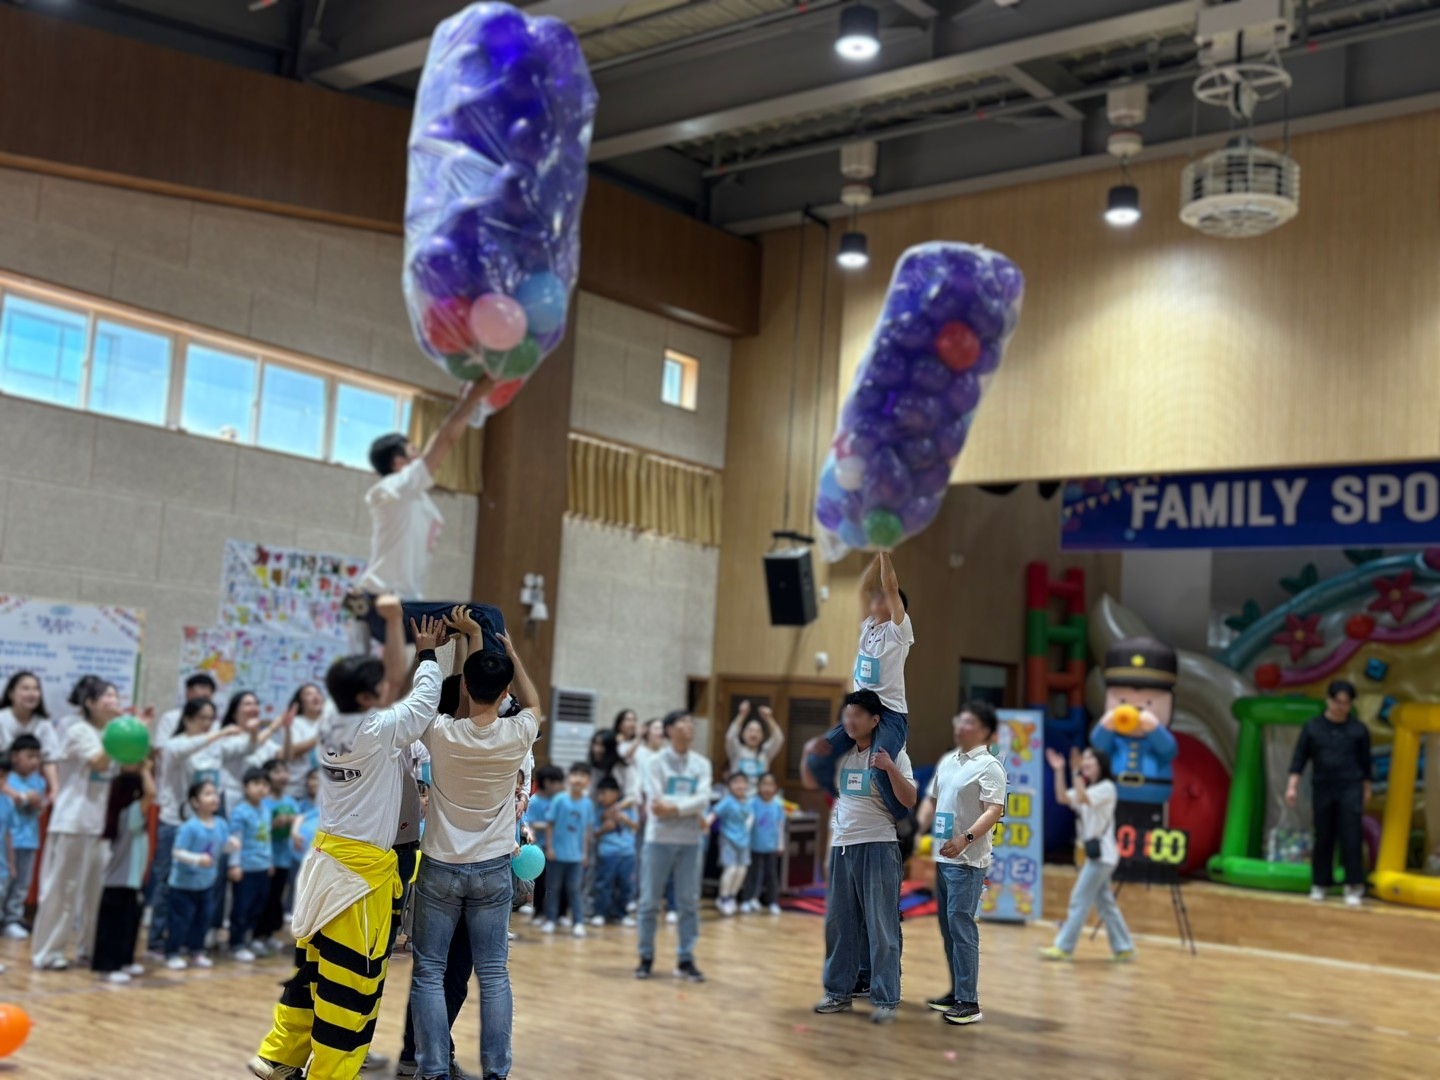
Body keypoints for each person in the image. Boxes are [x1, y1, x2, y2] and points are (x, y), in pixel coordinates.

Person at [248, 611, 445, 1080]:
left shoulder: (334, 721)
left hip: (327, 861)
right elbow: (422, 701)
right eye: (377, 686)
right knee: (351, 982)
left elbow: (398, 702)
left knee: (314, 967)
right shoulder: (374, 729)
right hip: (361, 875)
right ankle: (331, 1074)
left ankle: (280, 1055)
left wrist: (385, 625)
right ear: (365, 696)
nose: (385, 688)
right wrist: (431, 655)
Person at [410, 616, 540, 1080]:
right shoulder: (519, 732)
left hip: (440, 869)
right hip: (492, 872)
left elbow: (422, 701)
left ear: (464, 684)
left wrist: (429, 650)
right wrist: (511, 654)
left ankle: (430, 1070)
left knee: (428, 973)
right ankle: (497, 1072)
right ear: (506, 693)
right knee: (494, 976)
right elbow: (534, 702)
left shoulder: (441, 733)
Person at [803, 690, 916, 1025]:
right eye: (846, 716)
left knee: (881, 926)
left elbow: (909, 799)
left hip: (879, 845)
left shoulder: (893, 755)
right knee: (839, 924)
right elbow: (811, 780)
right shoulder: (843, 756)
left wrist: (890, 769)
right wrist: (810, 754)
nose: (850, 722)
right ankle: (838, 993)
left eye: (857, 716)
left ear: (875, 720)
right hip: (842, 847)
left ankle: (886, 998)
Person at [806, 554, 913, 821]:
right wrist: (876, 556)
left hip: (889, 712)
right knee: (818, 757)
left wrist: (887, 554)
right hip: (859, 710)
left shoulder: (898, 631)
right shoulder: (867, 626)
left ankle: (900, 817)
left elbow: (889, 586)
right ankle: (839, 797)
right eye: (876, 599)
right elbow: (863, 588)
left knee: (879, 768)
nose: (878, 599)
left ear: (895, 606)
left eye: (885, 598)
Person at [921, 701, 1005, 1026]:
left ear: (984, 730)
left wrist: (965, 839)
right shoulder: (948, 761)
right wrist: (917, 830)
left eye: (967, 722)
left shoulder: (989, 766)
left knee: (962, 928)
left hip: (967, 862)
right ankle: (957, 991)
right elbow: (932, 800)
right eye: (959, 720)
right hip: (942, 858)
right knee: (947, 929)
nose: (959, 725)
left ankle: (969, 1002)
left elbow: (993, 810)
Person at [31, 675, 121, 971]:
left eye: (116, 696)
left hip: (101, 825)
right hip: (73, 821)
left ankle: (89, 948)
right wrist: (121, 736)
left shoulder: (114, 732)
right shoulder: (78, 729)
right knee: (63, 890)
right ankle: (48, 952)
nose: (114, 702)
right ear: (90, 703)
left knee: (96, 892)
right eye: (107, 696)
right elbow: (99, 762)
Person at [148, 699, 251, 954]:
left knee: (204, 882)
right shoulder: (175, 744)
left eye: (211, 718)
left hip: (206, 824)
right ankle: (157, 939)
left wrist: (259, 731)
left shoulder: (215, 746)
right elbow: (184, 750)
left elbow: (246, 747)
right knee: (166, 882)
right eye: (202, 718)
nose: (207, 724)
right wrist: (220, 732)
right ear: (187, 719)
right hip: (176, 821)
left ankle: (190, 940)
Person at [635, 710, 712, 983]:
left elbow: (703, 800)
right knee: (648, 903)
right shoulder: (654, 762)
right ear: (669, 730)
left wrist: (675, 806)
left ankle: (686, 958)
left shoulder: (701, 764)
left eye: (692, 722)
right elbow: (656, 804)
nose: (690, 726)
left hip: (690, 842)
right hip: (659, 841)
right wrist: (686, 806)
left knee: (689, 903)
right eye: (683, 722)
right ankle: (645, 957)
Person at [1039, 746, 1134, 962]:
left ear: (1101, 764)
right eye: (1085, 759)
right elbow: (1063, 797)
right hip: (1096, 856)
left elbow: (1082, 798)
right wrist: (1060, 770)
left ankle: (1064, 947)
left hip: (1103, 856)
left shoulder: (1107, 788)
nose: (1086, 762)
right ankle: (1124, 946)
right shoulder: (1089, 787)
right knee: (1105, 904)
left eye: (1091, 759)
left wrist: (1075, 774)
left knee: (1079, 900)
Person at [1287, 679, 1372, 908]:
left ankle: (1353, 885)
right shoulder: (1312, 727)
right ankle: (1320, 883)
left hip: (1351, 788)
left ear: (1351, 704)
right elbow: (1299, 758)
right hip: (1323, 787)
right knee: (1323, 836)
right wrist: (1292, 786)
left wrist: (1366, 788)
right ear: (1328, 700)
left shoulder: (1358, 730)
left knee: (1351, 836)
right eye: (1337, 701)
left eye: (1345, 703)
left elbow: (1366, 764)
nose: (1340, 706)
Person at [91, 759, 156, 983]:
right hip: (119, 881)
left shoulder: (131, 815)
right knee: (113, 926)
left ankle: (124, 960)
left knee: (129, 923)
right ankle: (108, 967)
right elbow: (151, 794)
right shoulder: (130, 815)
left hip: (131, 880)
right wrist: (146, 770)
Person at [165, 780, 233, 970]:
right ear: (195, 802)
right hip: (183, 885)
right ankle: (173, 952)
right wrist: (197, 859)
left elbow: (221, 847)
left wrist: (231, 845)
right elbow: (177, 852)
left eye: (215, 793)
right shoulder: (189, 827)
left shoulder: (221, 824)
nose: (214, 797)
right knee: (179, 921)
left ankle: (196, 951)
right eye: (207, 794)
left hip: (207, 883)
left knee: (202, 919)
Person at [542, 763, 596, 937]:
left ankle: (578, 922)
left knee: (575, 889)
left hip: (576, 857)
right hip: (556, 854)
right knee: (553, 888)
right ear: (569, 778)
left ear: (588, 781)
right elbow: (550, 824)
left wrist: (585, 853)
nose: (578, 779)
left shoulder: (587, 804)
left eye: (583, 776)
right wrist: (549, 847)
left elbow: (586, 831)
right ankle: (550, 919)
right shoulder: (559, 800)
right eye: (575, 774)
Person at [228, 765, 275, 962]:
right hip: (245, 868)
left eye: (265, 784)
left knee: (258, 906)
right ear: (245, 786)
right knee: (241, 907)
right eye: (256, 784)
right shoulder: (240, 812)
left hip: (262, 867)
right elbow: (235, 839)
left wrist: (270, 861)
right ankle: (236, 943)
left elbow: (267, 838)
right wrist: (234, 865)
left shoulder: (265, 810)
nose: (261, 788)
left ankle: (249, 940)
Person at [3, 733, 46, 938]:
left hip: (30, 839)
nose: (34, 761)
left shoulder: (38, 782)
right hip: (9, 840)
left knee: (22, 884)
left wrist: (39, 803)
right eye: (29, 756)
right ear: (14, 757)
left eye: (37, 756)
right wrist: (22, 797)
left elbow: (39, 808)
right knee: (4, 883)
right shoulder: (7, 779)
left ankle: (13, 919)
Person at [258, 758, 299, 951]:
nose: (282, 775)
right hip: (265, 859)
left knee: (276, 897)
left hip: (284, 858)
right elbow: (259, 829)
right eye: (276, 772)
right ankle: (257, 934)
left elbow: (299, 825)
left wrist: (294, 822)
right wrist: (274, 824)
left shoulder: (290, 802)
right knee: (263, 897)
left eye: (285, 771)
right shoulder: (262, 802)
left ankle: (269, 933)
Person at [0, 670, 59, 793]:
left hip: (31, 787)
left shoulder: (44, 724)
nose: (31, 694)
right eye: (25, 689)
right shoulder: (2, 720)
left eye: (36, 689)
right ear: (11, 694)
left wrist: (54, 789)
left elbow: (49, 760)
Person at [590, 776, 638, 927]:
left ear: (616, 793)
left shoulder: (627, 808)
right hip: (607, 852)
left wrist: (623, 818)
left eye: (604, 793)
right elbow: (594, 833)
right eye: (599, 794)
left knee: (625, 884)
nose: (601, 797)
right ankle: (600, 912)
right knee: (604, 884)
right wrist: (604, 828)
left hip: (627, 852)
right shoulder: (599, 811)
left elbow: (636, 826)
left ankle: (621, 913)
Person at [524, 765, 564, 921]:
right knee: (541, 881)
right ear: (547, 783)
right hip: (540, 849)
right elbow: (527, 823)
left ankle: (558, 912)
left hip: (558, 847)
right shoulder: (535, 800)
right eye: (557, 783)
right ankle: (538, 911)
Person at [742, 772, 785, 915]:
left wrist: (780, 844)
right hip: (754, 845)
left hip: (771, 847)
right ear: (759, 787)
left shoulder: (778, 804)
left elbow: (780, 826)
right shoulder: (752, 802)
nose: (767, 788)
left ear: (775, 787)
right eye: (764, 784)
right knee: (752, 874)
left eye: (770, 784)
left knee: (771, 875)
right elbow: (748, 823)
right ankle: (748, 899)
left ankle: (772, 901)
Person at [712, 772, 754, 916]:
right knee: (731, 869)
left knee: (741, 870)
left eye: (743, 782)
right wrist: (705, 825)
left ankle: (731, 897)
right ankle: (722, 898)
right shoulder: (727, 801)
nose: (740, 786)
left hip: (744, 841)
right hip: (728, 840)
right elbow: (714, 813)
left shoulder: (748, 802)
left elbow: (750, 817)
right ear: (729, 786)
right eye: (736, 782)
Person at [725, 700, 785, 799]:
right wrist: (742, 715)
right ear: (742, 734)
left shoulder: (765, 752)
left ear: (762, 736)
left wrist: (769, 718)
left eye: (758, 731)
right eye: (750, 730)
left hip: (759, 799)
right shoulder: (736, 750)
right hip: (737, 798)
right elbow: (730, 737)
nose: (754, 734)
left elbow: (779, 739)